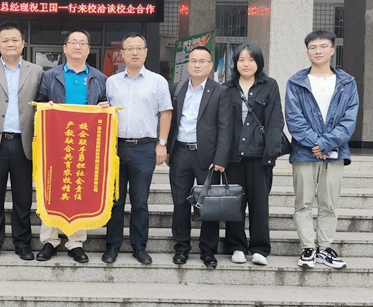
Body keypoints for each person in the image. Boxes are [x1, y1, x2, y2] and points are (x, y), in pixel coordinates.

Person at [285, 30, 358, 269]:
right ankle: (308, 248)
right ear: (307, 52)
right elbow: (294, 118)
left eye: (323, 46)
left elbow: (349, 119)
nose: (318, 51)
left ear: (332, 50)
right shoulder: (296, 82)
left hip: (335, 153)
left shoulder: (347, 82)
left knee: (329, 204)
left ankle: (324, 249)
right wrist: (316, 143)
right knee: (303, 203)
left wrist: (326, 143)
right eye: (313, 47)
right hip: (304, 153)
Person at [36, 28, 108, 263]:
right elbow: (39, 104)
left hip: (86, 145)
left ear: (88, 49)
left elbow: (105, 106)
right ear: (65, 48)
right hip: (56, 143)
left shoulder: (99, 78)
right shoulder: (50, 76)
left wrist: (105, 108)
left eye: (82, 43)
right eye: (73, 42)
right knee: (52, 188)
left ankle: (75, 242)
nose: (78, 46)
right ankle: (49, 241)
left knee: (79, 189)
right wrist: (47, 107)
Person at [0, 22, 44, 261]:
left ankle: (22, 244)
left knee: (23, 199)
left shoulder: (36, 71)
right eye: (5, 40)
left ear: (23, 43)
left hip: (24, 144)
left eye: (15, 39)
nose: (10, 44)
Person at [102, 32, 172, 265]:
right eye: (129, 48)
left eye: (138, 48)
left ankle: (139, 247)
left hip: (144, 148)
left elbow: (165, 113)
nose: (134, 52)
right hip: (116, 148)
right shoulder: (111, 82)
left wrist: (162, 143)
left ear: (146, 52)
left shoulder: (158, 81)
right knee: (115, 200)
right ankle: (112, 245)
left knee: (140, 201)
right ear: (122, 53)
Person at [168, 45, 232, 269]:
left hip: (209, 157)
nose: (197, 65)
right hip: (180, 154)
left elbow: (225, 127)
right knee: (180, 203)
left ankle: (208, 250)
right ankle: (181, 247)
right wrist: (167, 149)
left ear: (210, 65)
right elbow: (170, 122)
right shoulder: (177, 89)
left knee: (209, 204)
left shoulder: (220, 91)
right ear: (188, 65)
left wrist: (221, 158)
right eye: (193, 61)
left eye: (202, 61)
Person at [223, 44, 284, 266]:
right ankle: (236, 246)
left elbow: (275, 121)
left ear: (258, 62)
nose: (246, 64)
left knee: (259, 205)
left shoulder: (269, 85)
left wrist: (270, 155)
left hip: (259, 156)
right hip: (233, 158)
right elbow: (222, 124)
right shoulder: (226, 88)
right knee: (234, 204)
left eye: (250, 59)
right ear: (235, 63)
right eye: (241, 60)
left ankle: (260, 248)